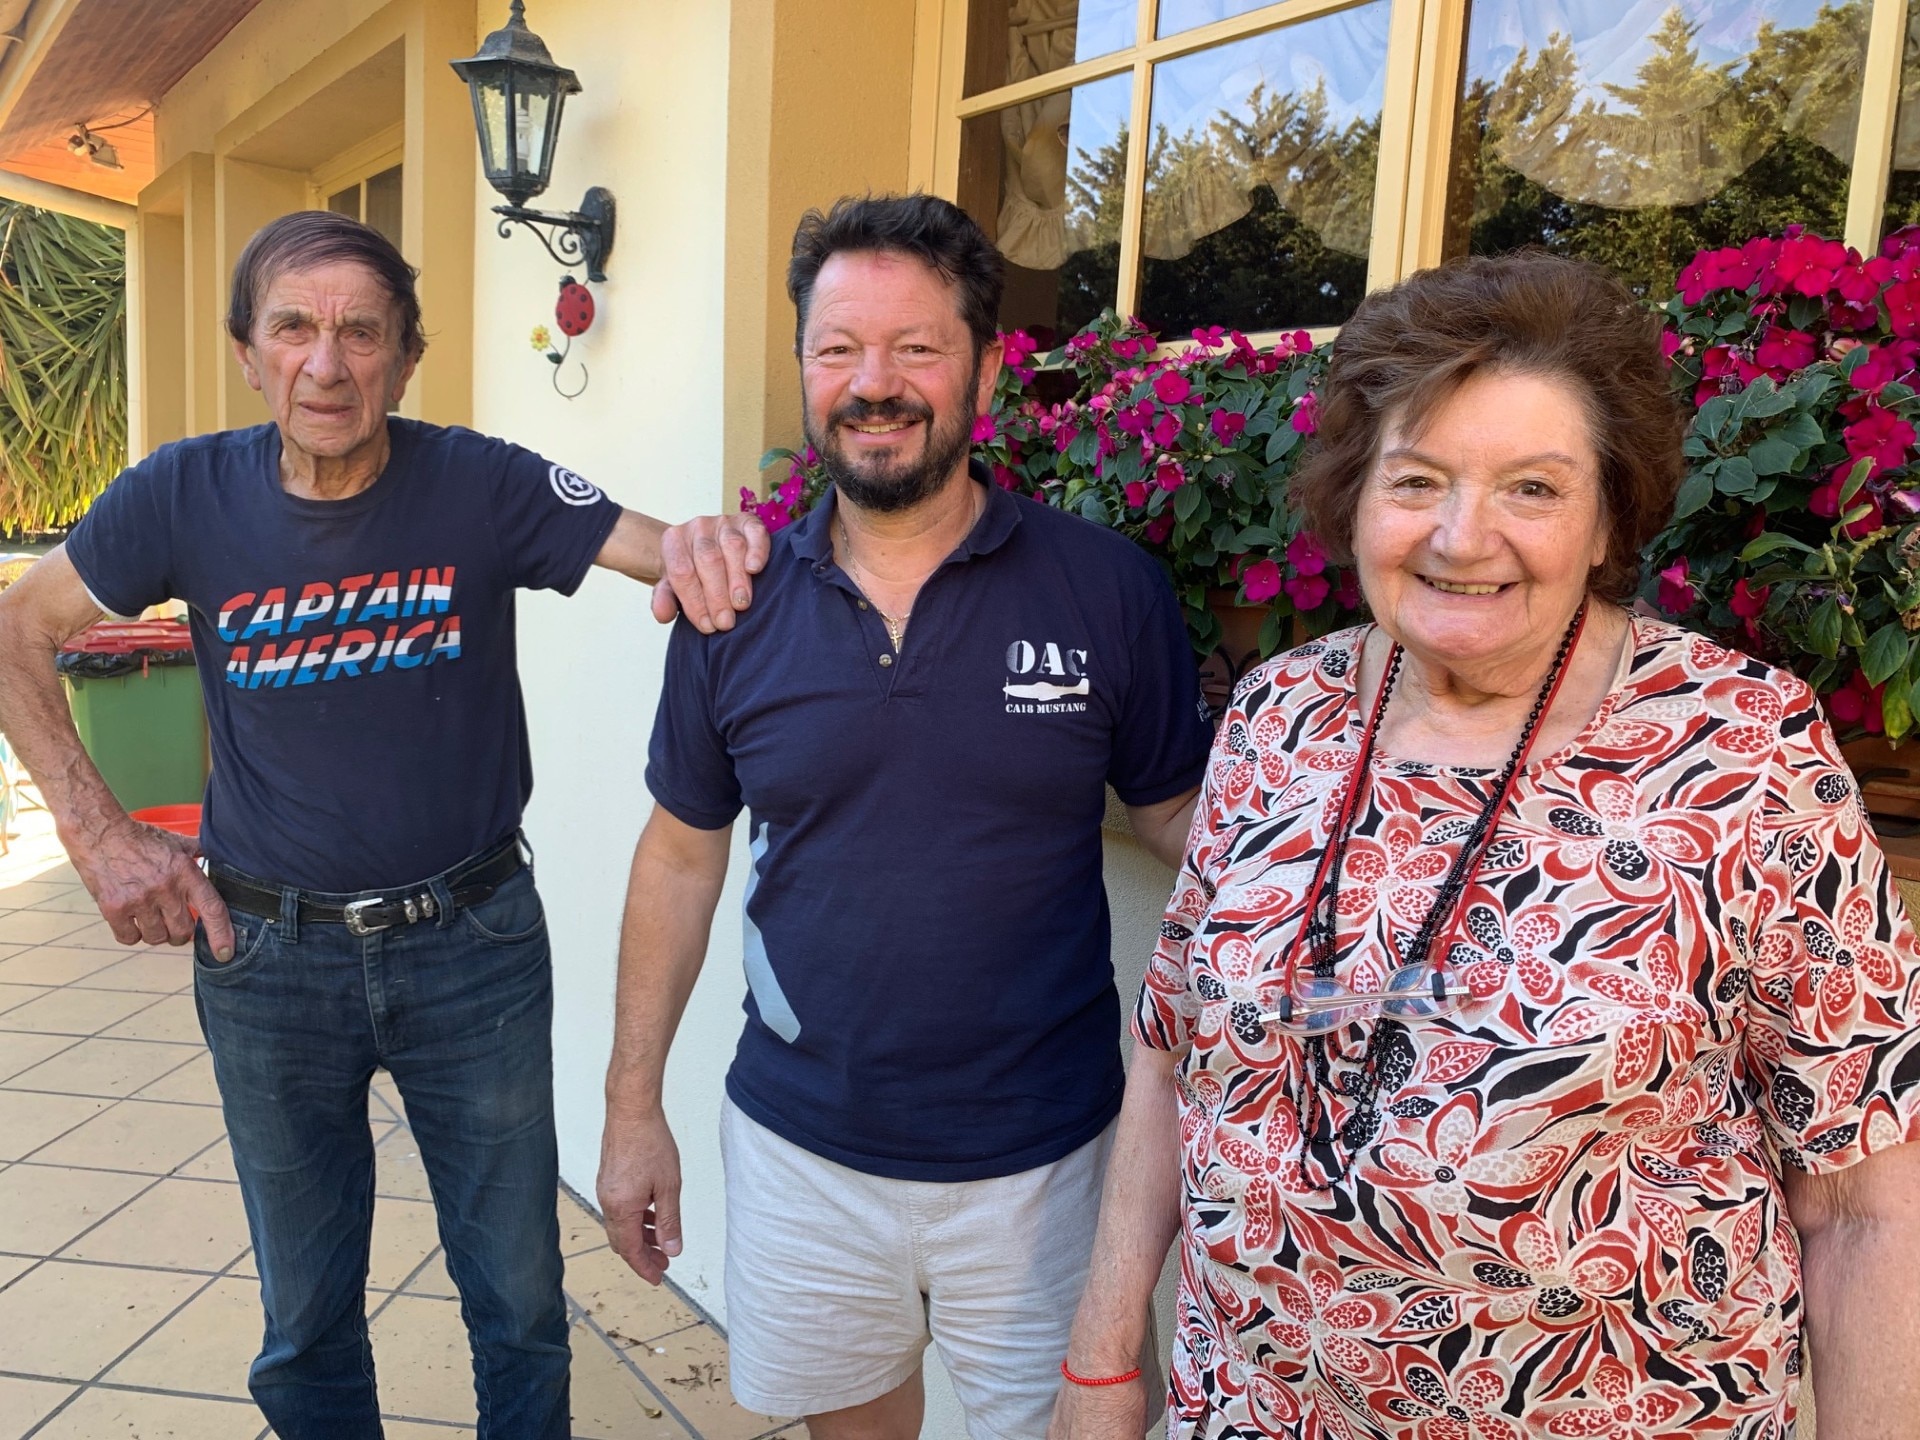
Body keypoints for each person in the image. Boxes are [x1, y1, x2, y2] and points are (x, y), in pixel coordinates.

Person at [1051, 251, 1920, 1440]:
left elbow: (1866, 1200)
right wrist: (1101, 1365)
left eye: (1533, 488)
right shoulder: (1277, 714)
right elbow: (1170, 1061)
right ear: (1356, 494)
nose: (1464, 538)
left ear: (1610, 514)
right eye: (1417, 479)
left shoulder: (1743, 755)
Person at [0, 210, 764, 1440]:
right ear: (249, 351)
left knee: (516, 1297)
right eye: (294, 327)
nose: (327, 361)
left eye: (363, 332)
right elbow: (16, 631)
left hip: (474, 950)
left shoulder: (479, 481)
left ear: (408, 358)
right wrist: (99, 837)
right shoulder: (183, 494)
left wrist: (714, 542)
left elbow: (655, 548)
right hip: (267, 961)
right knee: (305, 1321)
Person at [595, 193, 1213, 1439]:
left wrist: (1343, 870)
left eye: (917, 348)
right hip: (804, 1151)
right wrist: (629, 1109)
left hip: (1050, 1161)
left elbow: (1175, 816)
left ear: (985, 364)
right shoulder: (735, 602)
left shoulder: (1106, 590)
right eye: (839, 350)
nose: (874, 385)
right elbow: (678, 857)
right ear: (805, 371)